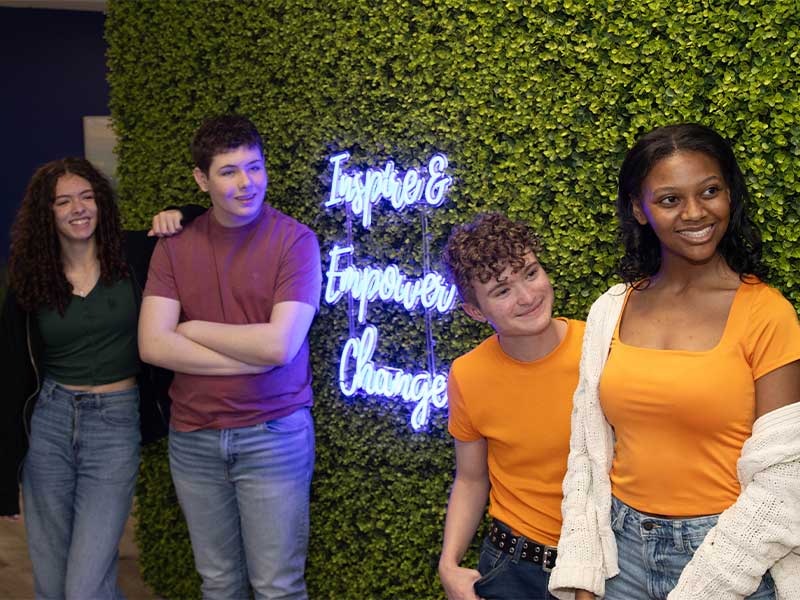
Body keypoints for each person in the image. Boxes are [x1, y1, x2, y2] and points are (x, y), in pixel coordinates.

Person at [548, 124, 800, 600]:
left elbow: (786, 480)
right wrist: (585, 570)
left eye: (710, 191)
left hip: (732, 563)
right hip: (618, 558)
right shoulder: (611, 309)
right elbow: (587, 451)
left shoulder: (768, 313)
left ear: (730, 194)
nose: (695, 212)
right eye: (669, 200)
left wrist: (703, 587)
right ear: (639, 211)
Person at [0, 156, 203, 599]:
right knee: (52, 584)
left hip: (114, 424)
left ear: (102, 203)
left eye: (88, 197)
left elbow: (207, 215)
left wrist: (180, 213)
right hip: (49, 423)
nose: (79, 208)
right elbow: (11, 374)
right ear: (46, 213)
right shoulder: (30, 278)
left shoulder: (135, 254)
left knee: (85, 583)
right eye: (64, 201)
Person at [138, 114, 321, 600]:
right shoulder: (175, 246)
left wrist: (192, 329)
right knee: (217, 584)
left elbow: (280, 345)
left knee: (277, 587)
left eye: (255, 167)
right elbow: (153, 345)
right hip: (193, 438)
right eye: (229, 171)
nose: (247, 183)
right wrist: (253, 357)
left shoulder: (296, 241)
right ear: (202, 179)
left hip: (274, 434)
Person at [438, 212, 585, 600]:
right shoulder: (468, 374)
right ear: (474, 310)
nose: (527, 296)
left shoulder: (601, 347)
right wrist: (449, 564)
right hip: (512, 567)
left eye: (531, 272)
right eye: (502, 291)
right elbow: (471, 477)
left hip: (603, 564)